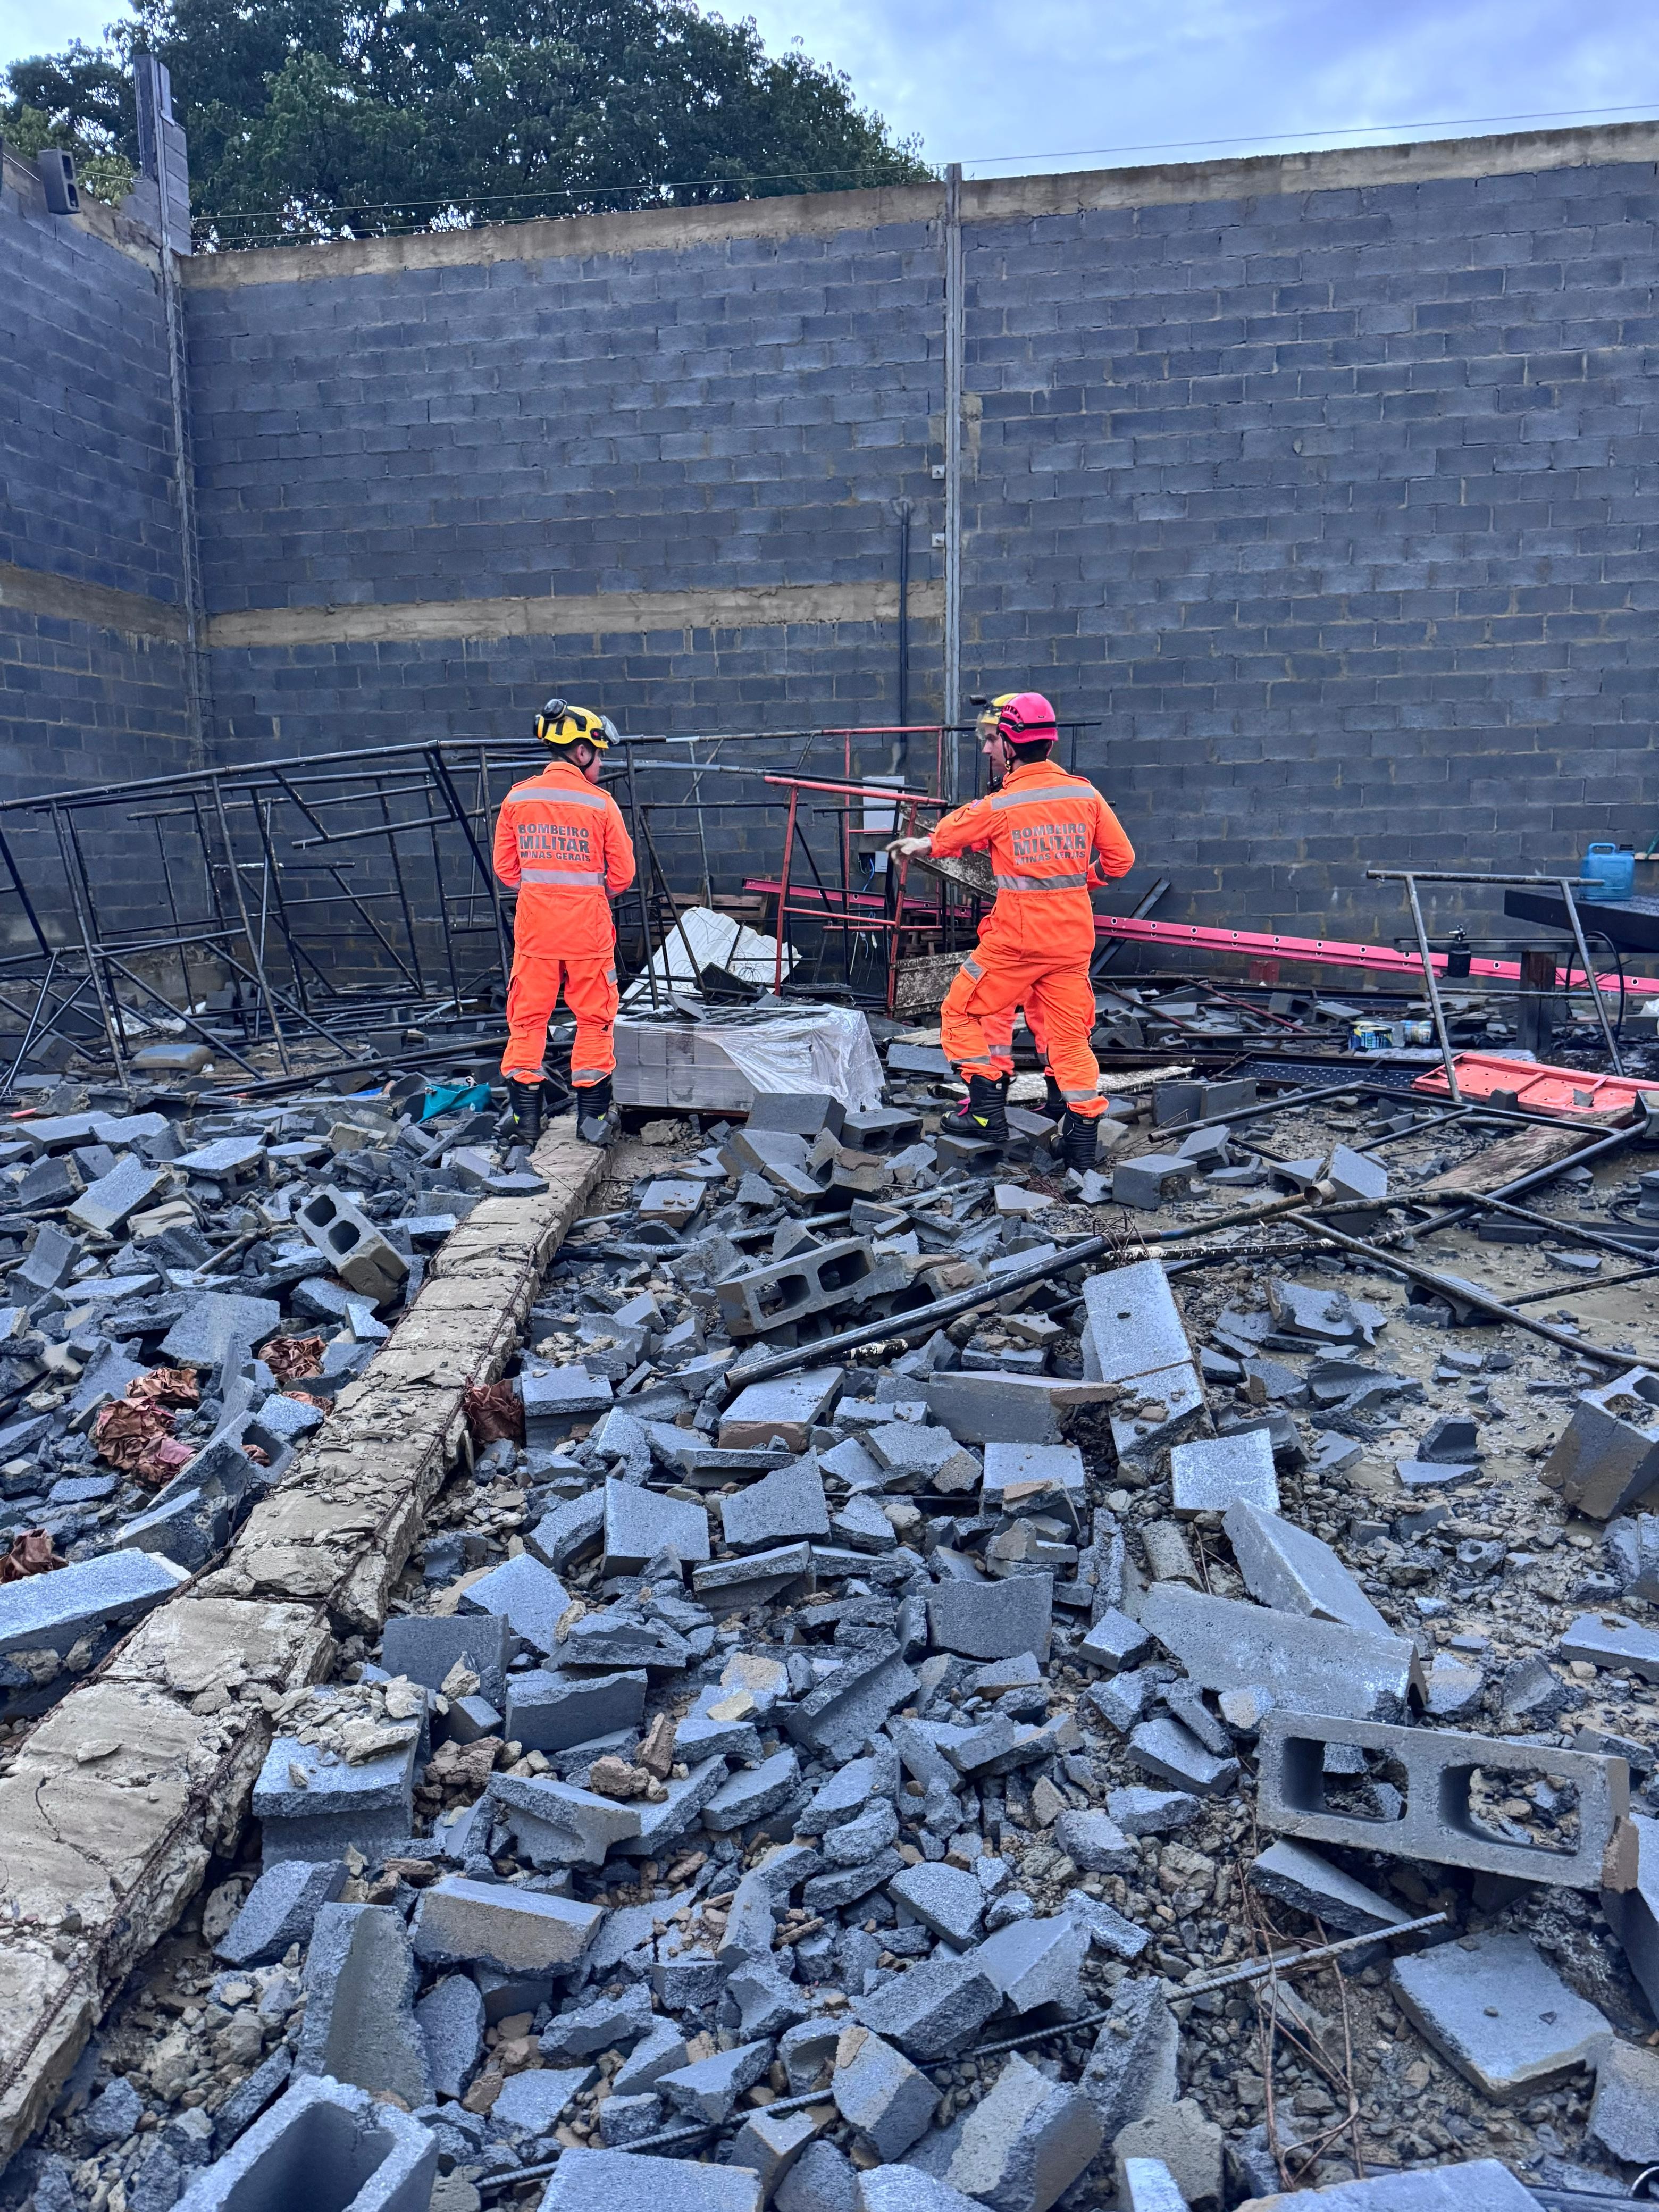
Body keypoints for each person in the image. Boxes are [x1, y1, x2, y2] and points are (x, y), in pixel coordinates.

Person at [890, 691, 1134, 1171]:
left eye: (992, 741)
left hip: (1018, 939)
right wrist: (1083, 880)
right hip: (1071, 940)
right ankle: (1082, 1144)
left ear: (1010, 745)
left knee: (958, 1011)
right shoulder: (1085, 794)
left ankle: (986, 1113)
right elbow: (1121, 860)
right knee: (1069, 1041)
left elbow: (950, 833)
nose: (988, 750)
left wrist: (920, 844)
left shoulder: (1004, 803)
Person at [492, 697, 635, 1145]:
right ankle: (590, 1123)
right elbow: (624, 875)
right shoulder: (600, 804)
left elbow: (506, 870)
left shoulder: (517, 799)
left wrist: (544, 892)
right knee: (594, 1020)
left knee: (527, 1022)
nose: (599, 764)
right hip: (588, 932)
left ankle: (525, 1124)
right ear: (580, 751)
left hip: (535, 931)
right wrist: (589, 893)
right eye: (598, 754)